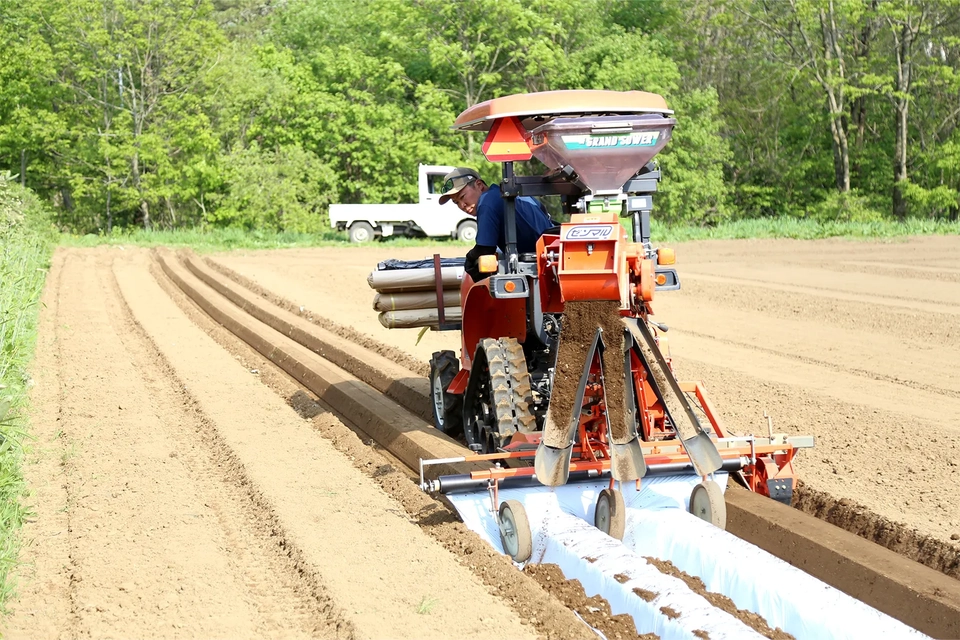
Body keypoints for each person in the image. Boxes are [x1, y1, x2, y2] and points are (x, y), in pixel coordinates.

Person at [438, 167, 555, 281]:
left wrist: (469, 259)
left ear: (479, 185)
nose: (462, 205)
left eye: (462, 197)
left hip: (541, 264)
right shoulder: (511, 193)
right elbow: (542, 209)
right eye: (456, 202)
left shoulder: (486, 202)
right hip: (554, 251)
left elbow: (485, 249)